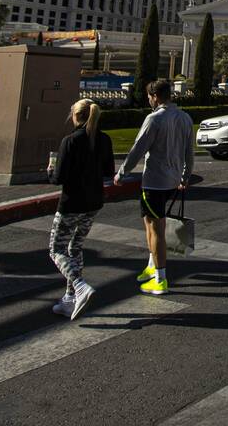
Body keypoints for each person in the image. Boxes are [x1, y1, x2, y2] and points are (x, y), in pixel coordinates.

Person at [114, 79, 194, 296]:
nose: (149, 101)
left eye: (150, 97)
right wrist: (185, 176)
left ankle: (160, 278)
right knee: (149, 222)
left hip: (155, 181)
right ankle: (152, 264)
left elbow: (137, 149)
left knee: (155, 228)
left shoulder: (154, 119)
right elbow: (189, 151)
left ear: (155, 97)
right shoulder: (185, 118)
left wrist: (122, 174)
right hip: (173, 179)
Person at [47, 98, 114, 320]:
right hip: (94, 202)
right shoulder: (104, 140)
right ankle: (69, 298)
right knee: (75, 247)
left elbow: (59, 177)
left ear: (76, 116)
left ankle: (78, 285)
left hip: (72, 202)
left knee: (56, 249)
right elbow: (108, 171)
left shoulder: (70, 141)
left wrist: (50, 170)